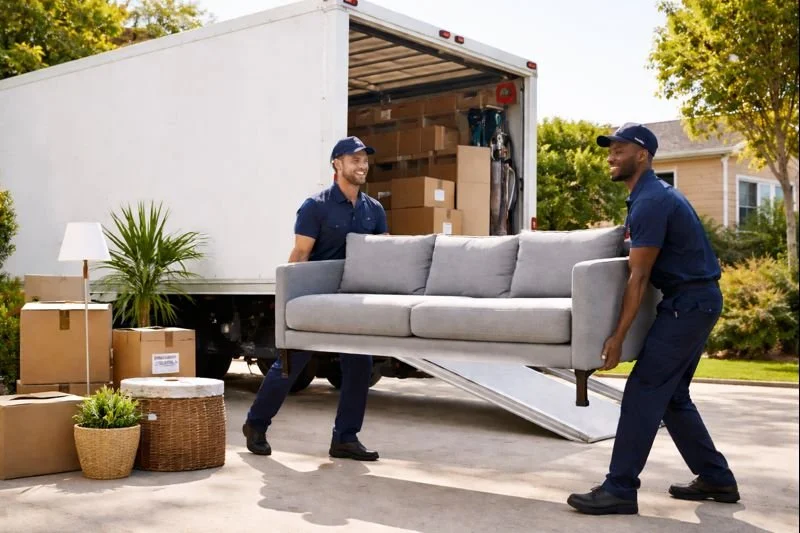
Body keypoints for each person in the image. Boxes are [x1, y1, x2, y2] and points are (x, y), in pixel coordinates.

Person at [567, 123, 739, 515]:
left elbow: (638, 277)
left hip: (688, 305)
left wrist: (617, 336)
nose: (611, 155)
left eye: (620, 149)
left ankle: (620, 488)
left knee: (644, 390)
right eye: (610, 149)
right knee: (672, 397)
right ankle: (716, 478)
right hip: (696, 302)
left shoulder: (651, 202)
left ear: (642, 155)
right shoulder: (650, 196)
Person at [242, 136, 388, 461]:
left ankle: (345, 439)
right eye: (355, 159)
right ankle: (256, 424)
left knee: (359, 366)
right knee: (290, 365)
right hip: (316, 301)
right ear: (337, 163)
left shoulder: (373, 210)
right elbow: (300, 255)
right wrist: (287, 303)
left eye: (365, 159)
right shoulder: (316, 207)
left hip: (353, 301)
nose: (362, 165)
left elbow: (380, 256)